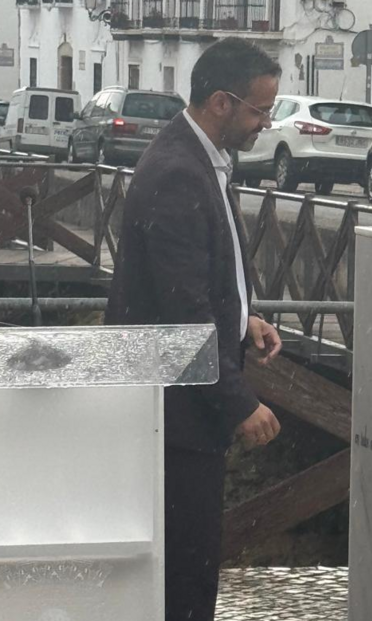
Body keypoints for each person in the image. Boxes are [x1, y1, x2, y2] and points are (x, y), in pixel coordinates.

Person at [105, 38, 284, 621]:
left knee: (189, 568)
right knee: (185, 575)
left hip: (176, 403)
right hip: (172, 413)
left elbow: (204, 279)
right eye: (259, 110)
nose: (266, 123)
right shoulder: (179, 172)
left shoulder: (195, 156)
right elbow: (184, 313)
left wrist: (244, 319)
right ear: (220, 103)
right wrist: (239, 403)